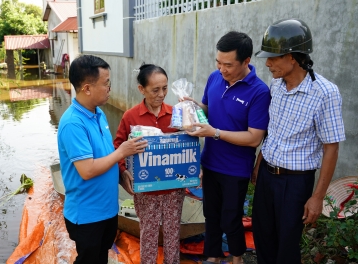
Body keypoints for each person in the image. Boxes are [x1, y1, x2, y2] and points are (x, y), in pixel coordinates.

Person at [252, 18, 346, 264]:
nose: (268, 64)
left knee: (287, 248)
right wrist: (260, 161)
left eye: (273, 57)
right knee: (263, 239)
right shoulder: (276, 86)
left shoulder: (324, 93)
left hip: (294, 184)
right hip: (266, 176)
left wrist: (317, 197)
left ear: (292, 57)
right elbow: (273, 129)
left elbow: (331, 147)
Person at [185, 31, 271, 264]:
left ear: (246, 62)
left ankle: (237, 256)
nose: (222, 69)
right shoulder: (215, 78)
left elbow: (254, 138)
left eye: (228, 65)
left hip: (235, 168)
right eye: (218, 62)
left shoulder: (259, 92)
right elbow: (207, 108)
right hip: (210, 161)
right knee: (210, 214)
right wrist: (192, 106)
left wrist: (215, 133)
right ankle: (212, 255)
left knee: (231, 217)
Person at [57, 55, 148, 264]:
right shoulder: (73, 123)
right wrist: (122, 152)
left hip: (107, 208)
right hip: (88, 214)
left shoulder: (99, 113)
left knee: (101, 257)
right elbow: (87, 170)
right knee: (89, 260)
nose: (110, 88)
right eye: (106, 83)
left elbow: (106, 154)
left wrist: (120, 173)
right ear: (87, 88)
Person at [113, 64, 184, 264]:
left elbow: (188, 146)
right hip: (145, 190)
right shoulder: (131, 116)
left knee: (172, 233)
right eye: (155, 90)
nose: (161, 94)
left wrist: (194, 168)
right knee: (148, 233)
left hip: (173, 188)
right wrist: (123, 170)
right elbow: (118, 146)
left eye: (165, 88)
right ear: (141, 89)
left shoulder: (176, 115)